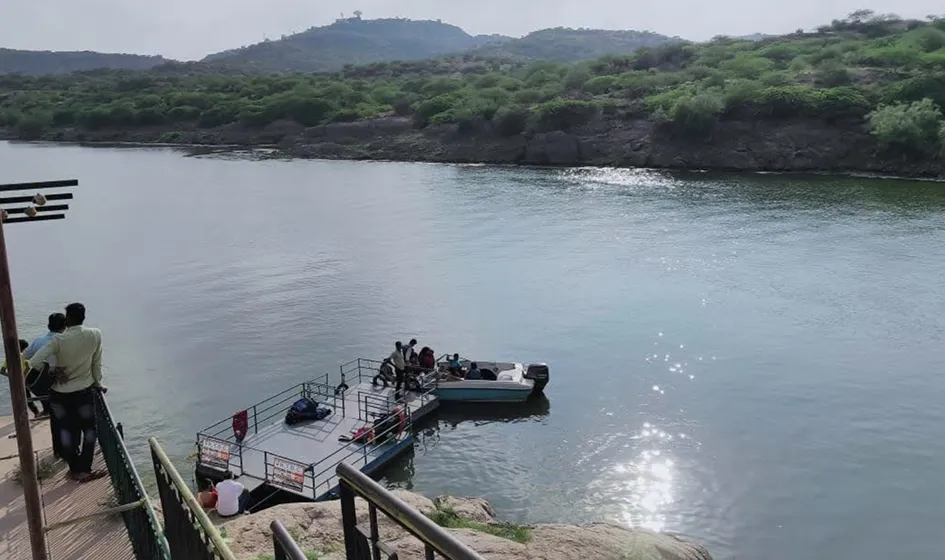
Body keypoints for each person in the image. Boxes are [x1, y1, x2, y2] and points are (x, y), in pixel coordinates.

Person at [29, 302, 105, 483]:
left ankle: (74, 469)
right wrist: (97, 382)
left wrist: (53, 371)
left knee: (66, 431)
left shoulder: (58, 340)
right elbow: (96, 363)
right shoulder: (95, 334)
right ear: (83, 317)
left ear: (68, 319)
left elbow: (35, 361)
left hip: (59, 395)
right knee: (89, 431)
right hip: (84, 392)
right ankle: (84, 469)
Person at [0, 339, 48, 418]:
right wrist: (23, 375)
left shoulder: (9, 357)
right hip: (25, 380)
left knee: (22, 398)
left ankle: (35, 413)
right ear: (23, 348)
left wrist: (11, 376)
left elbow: (1, 371)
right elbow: (28, 367)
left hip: (15, 382)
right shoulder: (24, 356)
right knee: (36, 394)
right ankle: (43, 411)